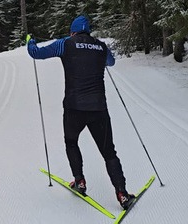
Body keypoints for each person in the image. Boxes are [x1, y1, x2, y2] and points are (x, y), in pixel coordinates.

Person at [27, 15, 135, 210]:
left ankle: (80, 181)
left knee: (71, 142)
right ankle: (122, 194)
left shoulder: (65, 44)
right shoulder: (101, 46)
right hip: (98, 109)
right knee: (109, 152)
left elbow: (36, 53)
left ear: (73, 31)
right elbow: (111, 62)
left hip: (74, 108)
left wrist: (30, 42)